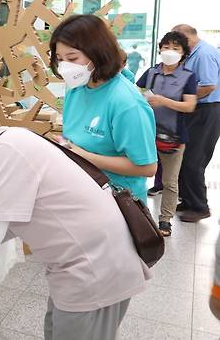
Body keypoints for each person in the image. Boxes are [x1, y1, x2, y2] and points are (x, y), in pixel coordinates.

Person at [0, 107, 151, 340]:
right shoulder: (7, 143)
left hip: (95, 269)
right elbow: (8, 221)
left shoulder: (6, 152)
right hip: (83, 265)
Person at [48, 14, 157, 203]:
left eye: (72, 58)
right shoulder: (77, 89)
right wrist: (63, 145)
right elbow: (75, 138)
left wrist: (85, 156)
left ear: (98, 53)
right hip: (82, 191)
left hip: (119, 202)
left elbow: (147, 167)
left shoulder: (127, 103)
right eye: (60, 59)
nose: (65, 66)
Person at [136, 31, 197, 236]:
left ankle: (165, 220)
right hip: (147, 133)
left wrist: (162, 101)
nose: (169, 51)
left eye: (175, 48)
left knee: (170, 181)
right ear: (160, 49)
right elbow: (135, 91)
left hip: (173, 136)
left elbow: (190, 106)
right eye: (166, 47)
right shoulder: (152, 72)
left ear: (183, 53)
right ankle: (138, 215)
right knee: (139, 173)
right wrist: (144, 97)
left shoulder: (188, 77)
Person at [171, 24, 220, 222]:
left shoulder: (204, 54)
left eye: (177, 43)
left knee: (194, 159)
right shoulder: (192, 54)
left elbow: (208, 86)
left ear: (187, 38)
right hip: (195, 110)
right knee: (184, 156)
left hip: (206, 111)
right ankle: (189, 200)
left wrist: (183, 97)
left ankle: (200, 207)